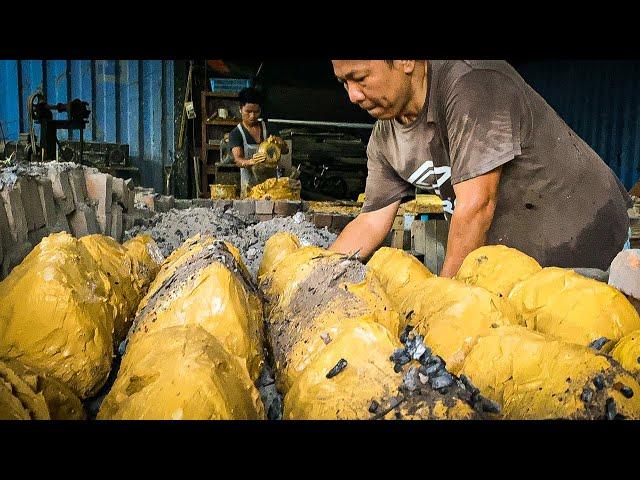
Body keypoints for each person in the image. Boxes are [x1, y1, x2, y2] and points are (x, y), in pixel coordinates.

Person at [330, 60, 632, 276]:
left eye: (361, 78)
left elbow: (477, 205)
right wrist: (315, 273)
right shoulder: (385, 137)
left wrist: (441, 299)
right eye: (344, 83)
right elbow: (370, 221)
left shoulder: (472, 83)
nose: (352, 95)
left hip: (585, 246)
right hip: (515, 269)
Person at [228, 87, 289, 195]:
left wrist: (281, 144)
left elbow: (285, 151)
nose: (252, 116)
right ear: (240, 109)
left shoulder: (269, 128)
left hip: (271, 186)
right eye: (248, 111)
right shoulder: (236, 133)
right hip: (249, 188)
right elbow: (238, 160)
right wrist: (251, 161)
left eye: (256, 112)